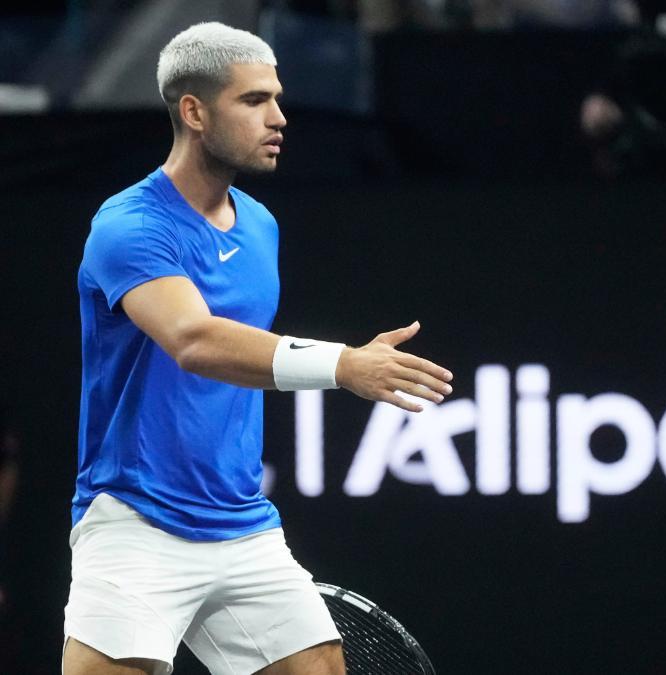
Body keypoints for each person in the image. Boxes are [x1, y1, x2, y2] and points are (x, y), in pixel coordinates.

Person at [65, 22, 454, 675]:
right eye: (253, 101)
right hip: (136, 517)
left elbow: (238, 357)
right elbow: (193, 340)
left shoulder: (259, 225)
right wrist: (344, 363)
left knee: (321, 666)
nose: (278, 117)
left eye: (276, 98)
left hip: (241, 521)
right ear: (194, 111)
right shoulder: (129, 226)